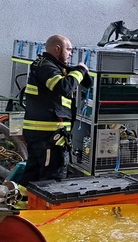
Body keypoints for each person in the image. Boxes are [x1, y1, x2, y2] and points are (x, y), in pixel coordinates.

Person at [19, 34, 91, 205]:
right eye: (69, 49)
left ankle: (21, 206)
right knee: (51, 178)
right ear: (57, 49)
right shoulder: (47, 67)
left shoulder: (50, 66)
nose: (71, 53)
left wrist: (80, 72)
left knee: (33, 173)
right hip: (48, 136)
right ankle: (45, 215)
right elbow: (63, 87)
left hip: (44, 135)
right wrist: (80, 70)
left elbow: (85, 84)